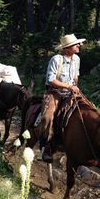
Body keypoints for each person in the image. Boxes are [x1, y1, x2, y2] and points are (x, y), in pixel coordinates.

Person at [40, 33, 86, 162]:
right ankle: (47, 146)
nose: (79, 45)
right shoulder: (56, 59)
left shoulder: (76, 59)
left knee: (88, 110)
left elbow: (76, 76)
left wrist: (75, 88)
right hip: (55, 92)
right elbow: (51, 80)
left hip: (71, 92)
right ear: (67, 48)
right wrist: (69, 87)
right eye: (76, 44)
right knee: (48, 117)